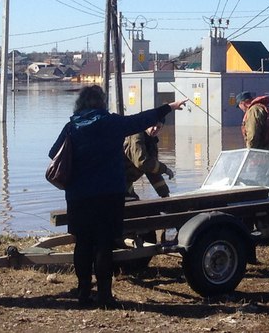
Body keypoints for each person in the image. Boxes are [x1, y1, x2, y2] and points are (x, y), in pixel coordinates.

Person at [48, 85, 187, 308]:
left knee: (82, 244)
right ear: (102, 102)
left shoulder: (71, 127)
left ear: (80, 103)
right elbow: (141, 120)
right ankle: (104, 294)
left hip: (78, 195)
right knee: (104, 244)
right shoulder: (111, 123)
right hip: (109, 194)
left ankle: (83, 292)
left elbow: (53, 153)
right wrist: (169, 107)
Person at [123, 120, 174, 200]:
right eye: (153, 125)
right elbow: (142, 162)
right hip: (113, 182)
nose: (155, 129)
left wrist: (165, 195)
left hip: (125, 182)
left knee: (136, 204)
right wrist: (165, 169)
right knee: (134, 205)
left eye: (158, 127)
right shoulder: (135, 135)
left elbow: (152, 170)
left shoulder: (151, 141)